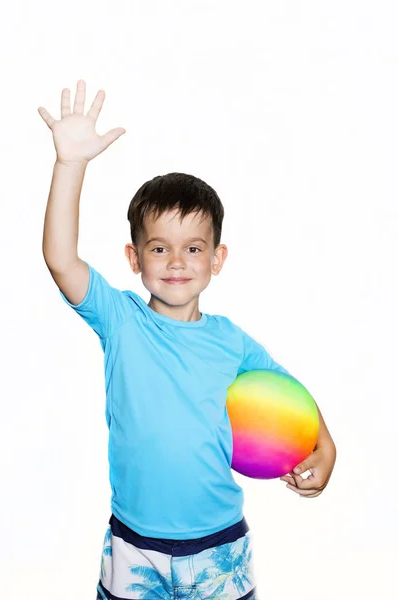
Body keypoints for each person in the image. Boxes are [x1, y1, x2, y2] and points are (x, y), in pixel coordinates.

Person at [39, 80, 336, 600]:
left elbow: (293, 395)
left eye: (194, 247)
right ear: (134, 259)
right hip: (134, 546)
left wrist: (325, 446)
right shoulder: (121, 320)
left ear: (216, 259)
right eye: (159, 247)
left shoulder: (231, 341)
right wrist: (70, 166)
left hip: (220, 548)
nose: (177, 261)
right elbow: (61, 259)